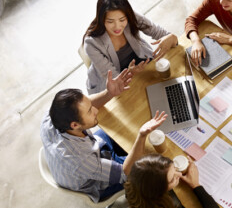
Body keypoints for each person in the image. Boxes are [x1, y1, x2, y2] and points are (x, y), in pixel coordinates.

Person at [40, 68, 168, 203]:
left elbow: (86, 105)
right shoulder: (81, 161)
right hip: (94, 182)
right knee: (154, 167)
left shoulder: (52, 116)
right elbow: (126, 173)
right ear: (75, 125)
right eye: (90, 111)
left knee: (125, 130)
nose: (95, 110)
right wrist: (142, 136)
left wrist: (109, 93)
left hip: (86, 153)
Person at [83, 0, 178, 94]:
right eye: (110, 21)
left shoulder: (131, 17)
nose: (117, 27)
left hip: (140, 66)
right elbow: (114, 79)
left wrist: (171, 37)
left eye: (122, 20)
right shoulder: (91, 44)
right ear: (101, 20)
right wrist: (130, 73)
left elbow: (161, 33)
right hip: (112, 82)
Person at [124, 154, 219, 208]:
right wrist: (196, 185)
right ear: (158, 192)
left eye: (174, 167)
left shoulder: (134, 182)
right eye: (172, 179)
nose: (180, 174)